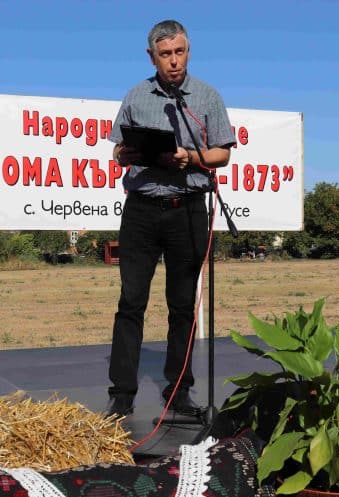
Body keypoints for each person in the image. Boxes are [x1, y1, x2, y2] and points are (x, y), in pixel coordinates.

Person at [105, 20, 236, 417]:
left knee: (182, 306)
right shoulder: (136, 96)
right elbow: (117, 150)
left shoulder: (208, 96)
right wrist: (124, 155)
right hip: (143, 209)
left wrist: (190, 157)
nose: (174, 61)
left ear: (188, 51)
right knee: (131, 301)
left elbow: (222, 154)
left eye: (179, 52)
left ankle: (178, 392)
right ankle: (122, 395)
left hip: (188, 208)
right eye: (165, 55)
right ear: (152, 57)